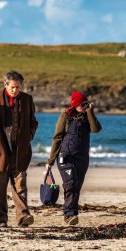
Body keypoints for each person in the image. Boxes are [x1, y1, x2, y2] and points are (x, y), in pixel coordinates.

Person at [0, 70, 38, 228]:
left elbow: (33, 122)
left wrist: (29, 136)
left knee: (20, 186)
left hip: (21, 151)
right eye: (13, 87)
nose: (16, 90)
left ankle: (23, 216)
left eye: (18, 87)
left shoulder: (27, 99)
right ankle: (0, 219)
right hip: (0, 151)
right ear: (5, 85)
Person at [46, 91, 102, 226]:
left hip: (82, 159)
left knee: (76, 186)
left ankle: (70, 214)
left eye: (86, 103)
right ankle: (70, 214)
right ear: (75, 104)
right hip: (66, 157)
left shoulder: (87, 117)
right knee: (71, 184)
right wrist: (50, 162)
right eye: (82, 104)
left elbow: (96, 129)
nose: (84, 106)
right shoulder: (65, 116)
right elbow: (57, 138)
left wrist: (90, 111)